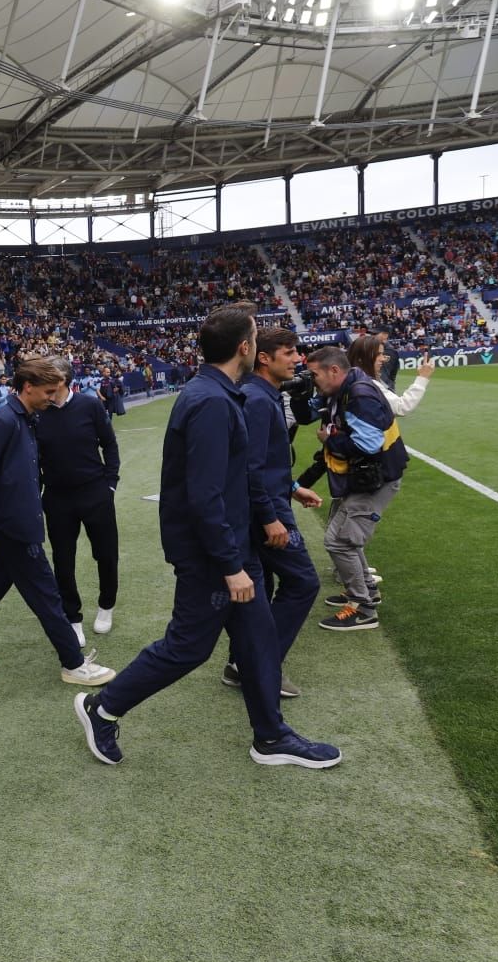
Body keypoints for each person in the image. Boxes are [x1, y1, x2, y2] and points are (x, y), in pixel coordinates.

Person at [74, 304, 342, 770]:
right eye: (256, 336)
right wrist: (230, 564)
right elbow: (205, 494)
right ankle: (102, 708)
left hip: (236, 544)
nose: (260, 342)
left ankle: (271, 737)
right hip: (213, 553)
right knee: (189, 646)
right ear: (245, 347)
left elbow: (244, 476)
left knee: (258, 639)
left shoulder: (224, 393)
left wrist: (266, 516)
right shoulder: (211, 401)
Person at [0, 357, 116, 686]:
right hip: (14, 524)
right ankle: (74, 663)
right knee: (47, 596)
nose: (52, 397)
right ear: (28, 387)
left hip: (21, 519)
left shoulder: (24, 418)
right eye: (48, 391)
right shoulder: (4, 422)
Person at [221, 328, 322, 698]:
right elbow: (251, 468)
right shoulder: (258, 399)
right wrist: (270, 517)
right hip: (266, 510)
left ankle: (241, 663)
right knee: (303, 583)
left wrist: (294, 488)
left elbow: (267, 461)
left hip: (272, 502)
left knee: (266, 587)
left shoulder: (264, 395)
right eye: (290, 352)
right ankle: (258, 666)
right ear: (264, 357)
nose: (298, 359)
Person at [305, 345, 408, 631]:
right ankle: (365, 593)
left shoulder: (359, 395)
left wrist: (330, 441)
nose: (313, 381)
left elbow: (368, 445)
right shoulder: (351, 386)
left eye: (315, 375)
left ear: (334, 370)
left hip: (376, 479)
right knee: (345, 539)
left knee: (339, 541)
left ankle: (364, 609)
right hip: (369, 478)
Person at [35, 357, 121, 647]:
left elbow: (108, 444)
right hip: (57, 497)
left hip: (95, 491)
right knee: (63, 559)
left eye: (48, 376)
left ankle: (106, 605)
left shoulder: (90, 405)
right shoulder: (38, 412)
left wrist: (110, 483)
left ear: (61, 380)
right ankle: (72, 618)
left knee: (106, 554)